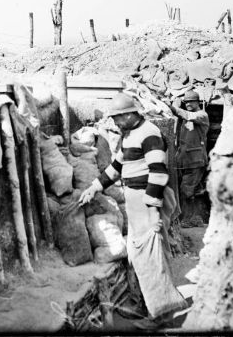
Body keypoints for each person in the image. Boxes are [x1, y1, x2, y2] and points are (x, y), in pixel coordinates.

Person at [79, 92, 181, 320]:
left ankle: (161, 315)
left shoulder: (150, 134)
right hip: (135, 201)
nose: (114, 123)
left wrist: (153, 210)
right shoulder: (129, 135)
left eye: (116, 118)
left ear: (128, 115)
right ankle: (143, 304)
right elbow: (116, 166)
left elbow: (158, 172)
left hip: (147, 201)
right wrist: (94, 186)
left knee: (152, 257)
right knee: (136, 256)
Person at [164, 89, 209, 228]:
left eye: (191, 101)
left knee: (186, 191)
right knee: (187, 191)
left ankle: (187, 220)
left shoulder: (202, 115)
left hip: (196, 160)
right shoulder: (186, 117)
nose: (189, 104)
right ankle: (191, 218)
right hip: (185, 161)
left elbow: (187, 115)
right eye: (187, 102)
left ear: (198, 102)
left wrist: (172, 107)